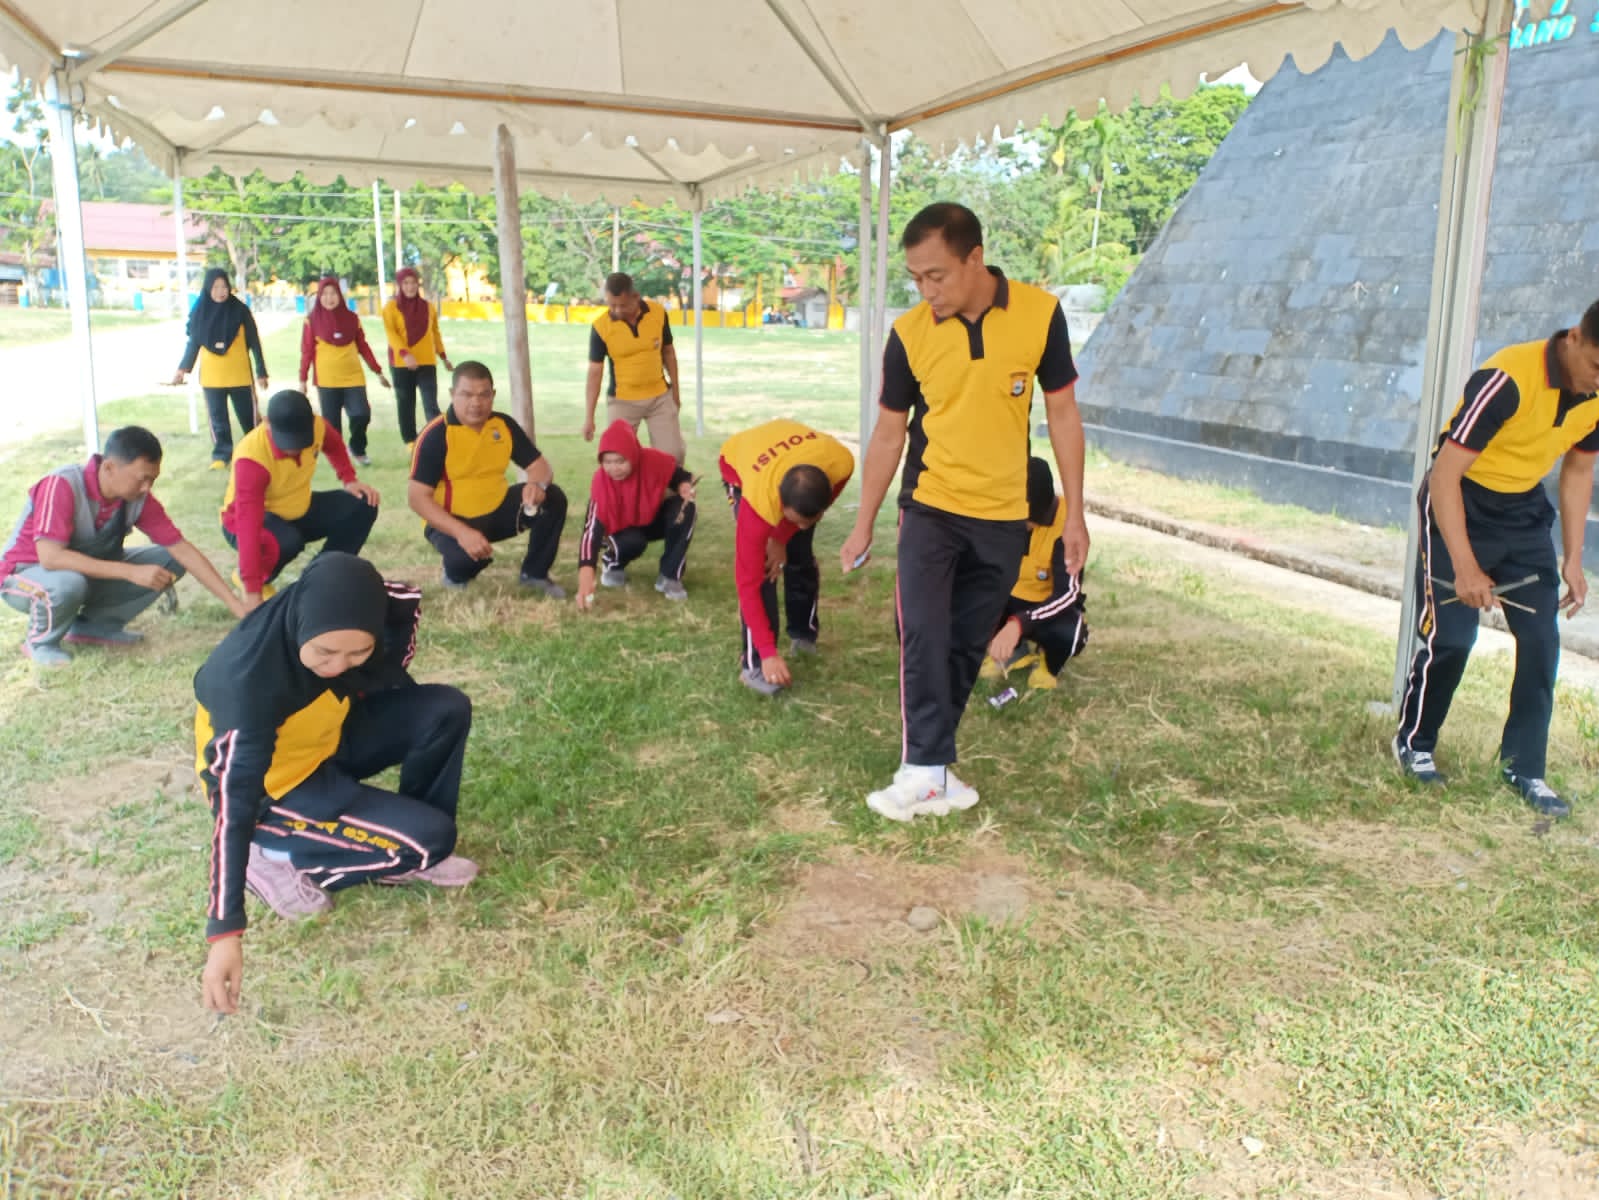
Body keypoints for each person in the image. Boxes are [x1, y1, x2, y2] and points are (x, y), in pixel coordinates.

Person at [839, 203, 1087, 822]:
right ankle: (922, 771)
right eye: (915, 278)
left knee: (964, 643)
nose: (926, 291)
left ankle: (934, 769)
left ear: (975, 258)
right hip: (931, 507)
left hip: (1003, 516)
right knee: (922, 634)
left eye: (937, 275)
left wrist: (1075, 514)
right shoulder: (909, 335)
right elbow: (889, 434)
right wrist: (864, 522)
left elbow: (1062, 414)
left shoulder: (1040, 314)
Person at [195, 552, 477, 1016]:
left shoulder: (379, 609)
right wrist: (225, 931)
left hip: (325, 736)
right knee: (433, 838)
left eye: (357, 653)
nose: (338, 666)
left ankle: (409, 843)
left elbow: (399, 619)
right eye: (324, 653)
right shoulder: (246, 684)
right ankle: (272, 855)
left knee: (445, 708)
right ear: (301, 625)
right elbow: (232, 800)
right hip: (274, 787)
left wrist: (374, 670)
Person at [1394, 302, 1599, 819]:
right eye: (1597, 366)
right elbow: (1444, 476)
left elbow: (1578, 471)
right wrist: (1465, 566)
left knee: (1541, 641)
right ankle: (1415, 743)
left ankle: (1523, 767)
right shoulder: (1508, 378)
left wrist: (1574, 559)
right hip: (1460, 501)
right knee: (1452, 639)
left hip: (1523, 513)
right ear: (1574, 338)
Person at [1, 425, 247, 666]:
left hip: (80, 574)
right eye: (142, 479)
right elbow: (51, 558)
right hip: (24, 575)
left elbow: (182, 550)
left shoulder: (137, 498)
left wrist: (235, 605)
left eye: (152, 480)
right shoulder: (62, 484)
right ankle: (40, 643)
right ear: (109, 467)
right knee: (68, 583)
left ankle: (92, 626)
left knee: (170, 561)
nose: (147, 487)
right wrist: (130, 572)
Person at [408, 361, 569, 596]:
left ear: (493, 395)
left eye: (484, 395)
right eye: (467, 395)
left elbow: (540, 467)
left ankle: (534, 574)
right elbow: (417, 498)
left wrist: (536, 485)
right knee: (466, 561)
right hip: (452, 521)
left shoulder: (502, 425)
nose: (476, 403)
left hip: (496, 510)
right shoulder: (435, 434)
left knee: (552, 497)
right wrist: (462, 532)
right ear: (452, 394)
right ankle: (454, 574)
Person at [718, 418, 854, 696]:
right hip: (740, 461)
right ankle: (755, 664)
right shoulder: (758, 506)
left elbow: (803, 518)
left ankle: (803, 633)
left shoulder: (840, 463)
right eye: (794, 519)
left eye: (810, 520)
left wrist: (782, 536)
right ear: (781, 504)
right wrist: (768, 651)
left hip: (795, 452)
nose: (802, 526)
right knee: (763, 571)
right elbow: (747, 584)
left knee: (799, 552)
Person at [222, 390, 381, 612]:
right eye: (287, 440)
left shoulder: (317, 425)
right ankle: (251, 576)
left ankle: (321, 578)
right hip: (243, 522)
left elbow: (333, 443)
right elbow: (249, 524)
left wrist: (349, 479)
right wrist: (252, 590)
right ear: (267, 423)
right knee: (288, 541)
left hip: (298, 509)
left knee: (364, 504)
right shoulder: (251, 458)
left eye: (300, 440)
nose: (294, 449)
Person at [981, 457, 1089, 691]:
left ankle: (1048, 663)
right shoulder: (1003, 516)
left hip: (1045, 607)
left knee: (1070, 634)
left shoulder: (1067, 526)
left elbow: (1068, 594)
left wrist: (1020, 623)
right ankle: (1011, 652)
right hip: (1008, 597)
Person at [575, 419, 697, 607]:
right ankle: (613, 562)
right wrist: (586, 574)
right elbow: (591, 532)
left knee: (686, 508)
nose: (614, 468)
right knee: (634, 541)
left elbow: (680, 476)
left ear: (633, 456)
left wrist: (684, 486)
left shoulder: (653, 461)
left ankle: (670, 576)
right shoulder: (600, 483)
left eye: (620, 461)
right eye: (607, 462)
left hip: (650, 518)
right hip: (620, 530)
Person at [171, 267, 269, 469]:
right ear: (208, 288)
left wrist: (261, 372)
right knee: (218, 420)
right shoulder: (200, 313)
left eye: (224, 286)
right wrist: (182, 370)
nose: (220, 291)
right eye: (215, 287)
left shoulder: (240, 311)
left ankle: (258, 451)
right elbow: (193, 344)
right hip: (212, 378)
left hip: (240, 376)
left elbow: (254, 342)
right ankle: (222, 455)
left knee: (249, 418)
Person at [583, 272, 685, 464]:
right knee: (617, 458)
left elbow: (669, 353)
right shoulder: (600, 327)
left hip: (660, 398)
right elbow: (595, 374)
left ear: (635, 297)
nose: (616, 310)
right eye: (611, 305)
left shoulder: (658, 313)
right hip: (622, 401)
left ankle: (667, 485)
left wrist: (676, 394)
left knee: (673, 456)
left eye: (622, 305)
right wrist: (589, 417)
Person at [299, 276, 390, 466]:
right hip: (327, 380)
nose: (329, 298)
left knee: (361, 414)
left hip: (353, 378)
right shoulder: (311, 321)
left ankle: (357, 448)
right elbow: (307, 352)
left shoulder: (352, 319)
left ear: (340, 295)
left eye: (333, 293)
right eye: (324, 294)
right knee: (332, 425)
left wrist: (378, 371)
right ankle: (340, 461)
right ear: (319, 297)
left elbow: (363, 346)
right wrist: (303, 380)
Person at [382, 267, 454, 450]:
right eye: (406, 283)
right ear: (399, 285)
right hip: (401, 364)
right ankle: (411, 443)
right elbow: (392, 335)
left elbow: (435, 333)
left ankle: (438, 441)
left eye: (413, 282)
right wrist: (405, 355)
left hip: (427, 361)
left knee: (431, 404)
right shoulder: (391, 308)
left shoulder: (428, 307)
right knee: (406, 405)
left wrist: (443, 356)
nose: (410, 287)